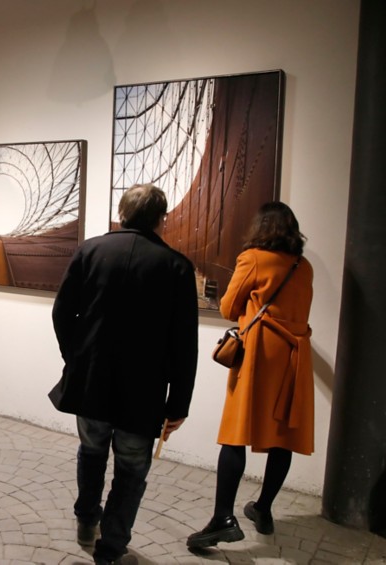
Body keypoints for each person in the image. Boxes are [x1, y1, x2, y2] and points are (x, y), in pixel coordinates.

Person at [49, 184, 198, 565]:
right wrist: (178, 403)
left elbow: (62, 313)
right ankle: (111, 547)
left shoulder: (91, 250)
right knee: (131, 471)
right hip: (143, 390)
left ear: (122, 211)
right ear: (161, 219)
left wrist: (75, 358)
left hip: (92, 380)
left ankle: (86, 519)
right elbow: (184, 343)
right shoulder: (177, 266)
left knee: (92, 450)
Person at [187, 201, 314, 549]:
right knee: (282, 434)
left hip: (259, 353)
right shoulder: (303, 266)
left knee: (236, 432)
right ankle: (264, 509)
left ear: (260, 228)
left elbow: (228, 307)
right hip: (293, 355)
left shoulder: (254, 257)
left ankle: (223, 518)